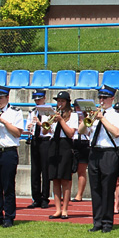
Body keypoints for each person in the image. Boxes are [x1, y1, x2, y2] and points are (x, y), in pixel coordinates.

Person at [81, 86, 119, 233]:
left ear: (112, 99)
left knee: (107, 188)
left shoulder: (117, 116)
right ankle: (97, 221)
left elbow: (117, 133)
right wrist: (87, 118)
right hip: (94, 152)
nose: (101, 100)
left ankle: (107, 222)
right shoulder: (94, 114)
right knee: (95, 188)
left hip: (109, 153)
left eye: (104, 98)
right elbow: (81, 131)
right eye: (100, 98)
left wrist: (102, 118)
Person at [0, 86, 25, 228]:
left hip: (8, 151)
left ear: (7, 98)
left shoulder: (15, 112)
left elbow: (17, 133)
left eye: (1, 98)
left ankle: (9, 217)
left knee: (8, 186)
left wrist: (3, 122)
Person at [47, 91, 78, 220]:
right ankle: (57, 210)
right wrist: (48, 123)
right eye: (58, 101)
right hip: (54, 145)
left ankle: (65, 209)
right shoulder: (54, 114)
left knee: (65, 180)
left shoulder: (74, 116)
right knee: (55, 179)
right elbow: (45, 130)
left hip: (66, 146)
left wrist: (60, 121)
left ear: (67, 102)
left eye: (62, 101)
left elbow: (70, 133)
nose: (60, 104)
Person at [25, 89, 52, 209]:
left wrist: (40, 123)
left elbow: (51, 129)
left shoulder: (49, 111)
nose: (37, 101)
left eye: (39, 99)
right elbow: (27, 127)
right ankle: (36, 198)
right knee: (35, 171)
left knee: (45, 171)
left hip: (45, 141)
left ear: (44, 98)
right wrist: (30, 127)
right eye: (35, 99)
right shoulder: (32, 112)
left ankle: (45, 198)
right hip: (35, 140)